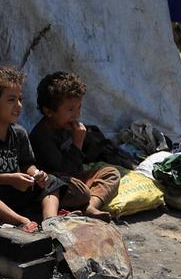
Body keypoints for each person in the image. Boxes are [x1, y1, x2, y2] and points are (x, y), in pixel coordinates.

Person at [0, 66, 65, 231]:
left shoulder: (19, 132)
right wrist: (9, 178)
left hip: (18, 191)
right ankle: (20, 220)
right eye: (11, 100)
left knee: (52, 181)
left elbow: (27, 164)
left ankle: (50, 221)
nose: (18, 106)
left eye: (20, 99)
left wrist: (36, 175)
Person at [30, 71, 120, 221]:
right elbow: (65, 171)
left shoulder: (66, 127)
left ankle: (90, 207)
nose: (76, 115)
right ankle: (78, 206)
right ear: (48, 111)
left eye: (79, 108)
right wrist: (77, 142)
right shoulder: (43, 136)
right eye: (70, 110)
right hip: (53, 187)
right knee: (82, 192)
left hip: (72, 180)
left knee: (111, 173)